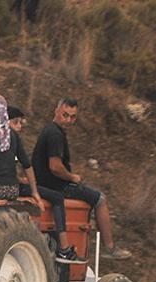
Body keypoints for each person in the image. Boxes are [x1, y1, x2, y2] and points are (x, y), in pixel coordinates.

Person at [31, 98, 132, 260]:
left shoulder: (48, 130)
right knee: (100, 200)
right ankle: (110, 248)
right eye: (65, 115)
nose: (68, 120)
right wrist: (72, 177)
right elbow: (55, 167)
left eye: (72, 117)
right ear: (56, 111)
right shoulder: (55, 134)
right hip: (56, 185)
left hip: (44, 183)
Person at [8, 106, 85, 264]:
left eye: (21, 123)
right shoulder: (12, 138)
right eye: (16, 122)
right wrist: (33, 188)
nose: (19, 127)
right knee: (57, 197)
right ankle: (64, 248)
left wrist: (19, 179)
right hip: (10, 187)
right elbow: (27, 165)